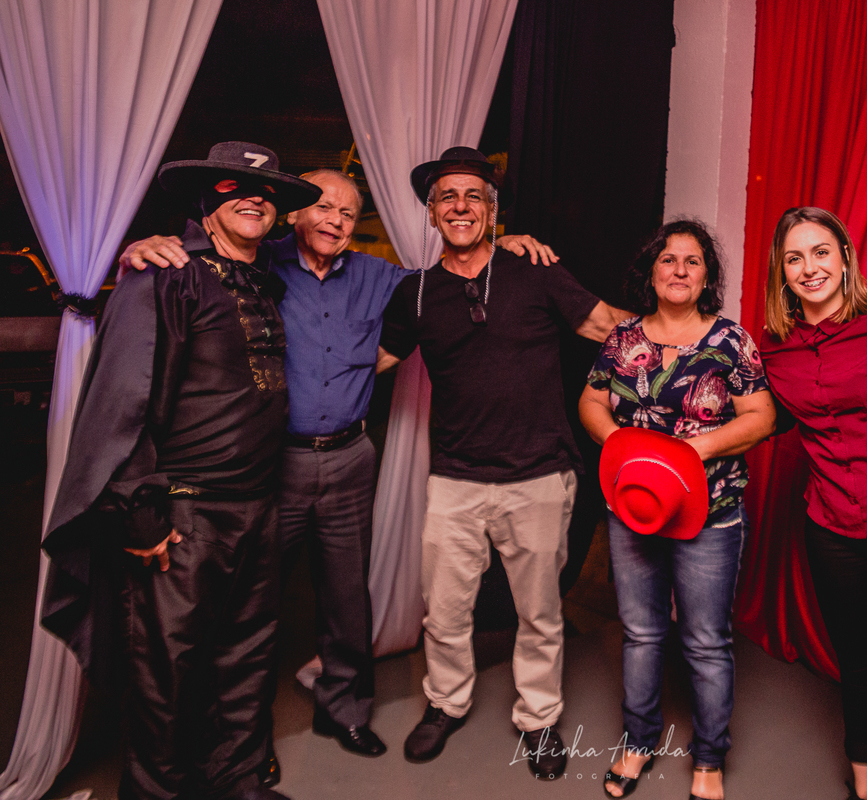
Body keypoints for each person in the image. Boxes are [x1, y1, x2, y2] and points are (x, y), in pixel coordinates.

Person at [118, 169, 557, 765]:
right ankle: (244, 739)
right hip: (272, 462)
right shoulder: (256, 264)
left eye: (348, 213)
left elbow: (452, 278)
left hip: (351, 457)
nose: (335, 221)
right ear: (295, 213)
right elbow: (195, 265)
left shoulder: (381, 277)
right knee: (252, 605)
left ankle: (344, 710)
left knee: (347, 598)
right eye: (323, 207)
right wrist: (142, 247)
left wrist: (502, 246)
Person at [40, 142, 321, 800]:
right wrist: (141, 514)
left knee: (248, 655)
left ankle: (239, 781)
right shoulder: (161, 277)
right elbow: (119, 405)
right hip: (184, 518)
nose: (254, 198)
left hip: (258, 507)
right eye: (233, 187)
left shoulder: (263, 279)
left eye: (267, 192)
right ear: (205, 204)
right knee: (165, 678)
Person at [380, 146, 628, 779]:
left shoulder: (535, 271)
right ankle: (445, 702)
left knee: (540, 614)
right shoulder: (415, 293)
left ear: (492, 211)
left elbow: (608, 327)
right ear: (431, 213)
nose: (460, 206)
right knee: (443, 610)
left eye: (475, 196)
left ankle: (538, 718)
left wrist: (696, 334)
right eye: (448, 197)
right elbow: (373, 359)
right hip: (454, 480)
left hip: (539, 475)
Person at [578, 219, 776, 800]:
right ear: (652, 271)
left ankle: (709, 759)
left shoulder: (731, 341)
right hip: (634, 509)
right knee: (641, 633)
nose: (680, 270)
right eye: (668, 259)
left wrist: (691, 452)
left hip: (711, 512)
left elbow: (762, 417)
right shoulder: (622, 338)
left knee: (705, 641)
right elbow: (591, 400)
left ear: (707, 276)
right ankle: (638, 742)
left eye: (693, 261)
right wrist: (621, 444)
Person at [757, 207, 867, 800]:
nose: (809, 268)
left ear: (846, 256)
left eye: (821, 252)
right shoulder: (773, 348)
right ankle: (866, 787)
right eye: (794, 258)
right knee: (859, 662)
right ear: (781, 271)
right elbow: (756, 415)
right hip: (830, 525)